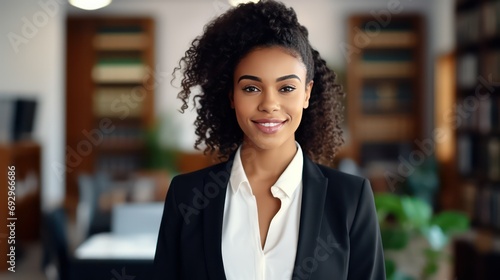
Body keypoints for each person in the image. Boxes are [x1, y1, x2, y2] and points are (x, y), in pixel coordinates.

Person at [153, 1, 385, 279]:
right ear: (231, 96)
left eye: (287, 88)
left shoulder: (350, 198)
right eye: (251, 88)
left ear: (307, 94)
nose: (269, 104)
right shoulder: (186, 195)